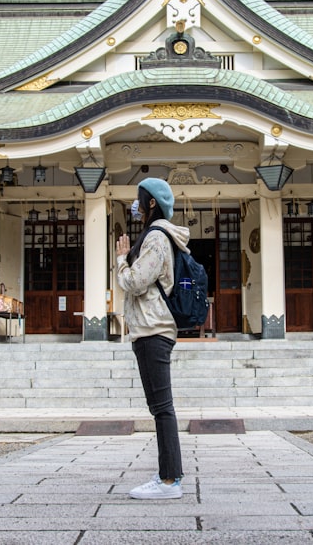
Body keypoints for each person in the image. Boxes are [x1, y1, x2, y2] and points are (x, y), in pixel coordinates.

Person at [115, 178, 188, 500]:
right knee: (160, 407)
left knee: (162, 408)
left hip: (153, 327)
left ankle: (169, 480)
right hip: (150, 327)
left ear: (152, 203)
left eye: (138, 199)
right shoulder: (155, 236)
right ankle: (168, 476)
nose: (135, 204)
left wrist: (121, 260)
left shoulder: (156, 237)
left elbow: (135, 282)